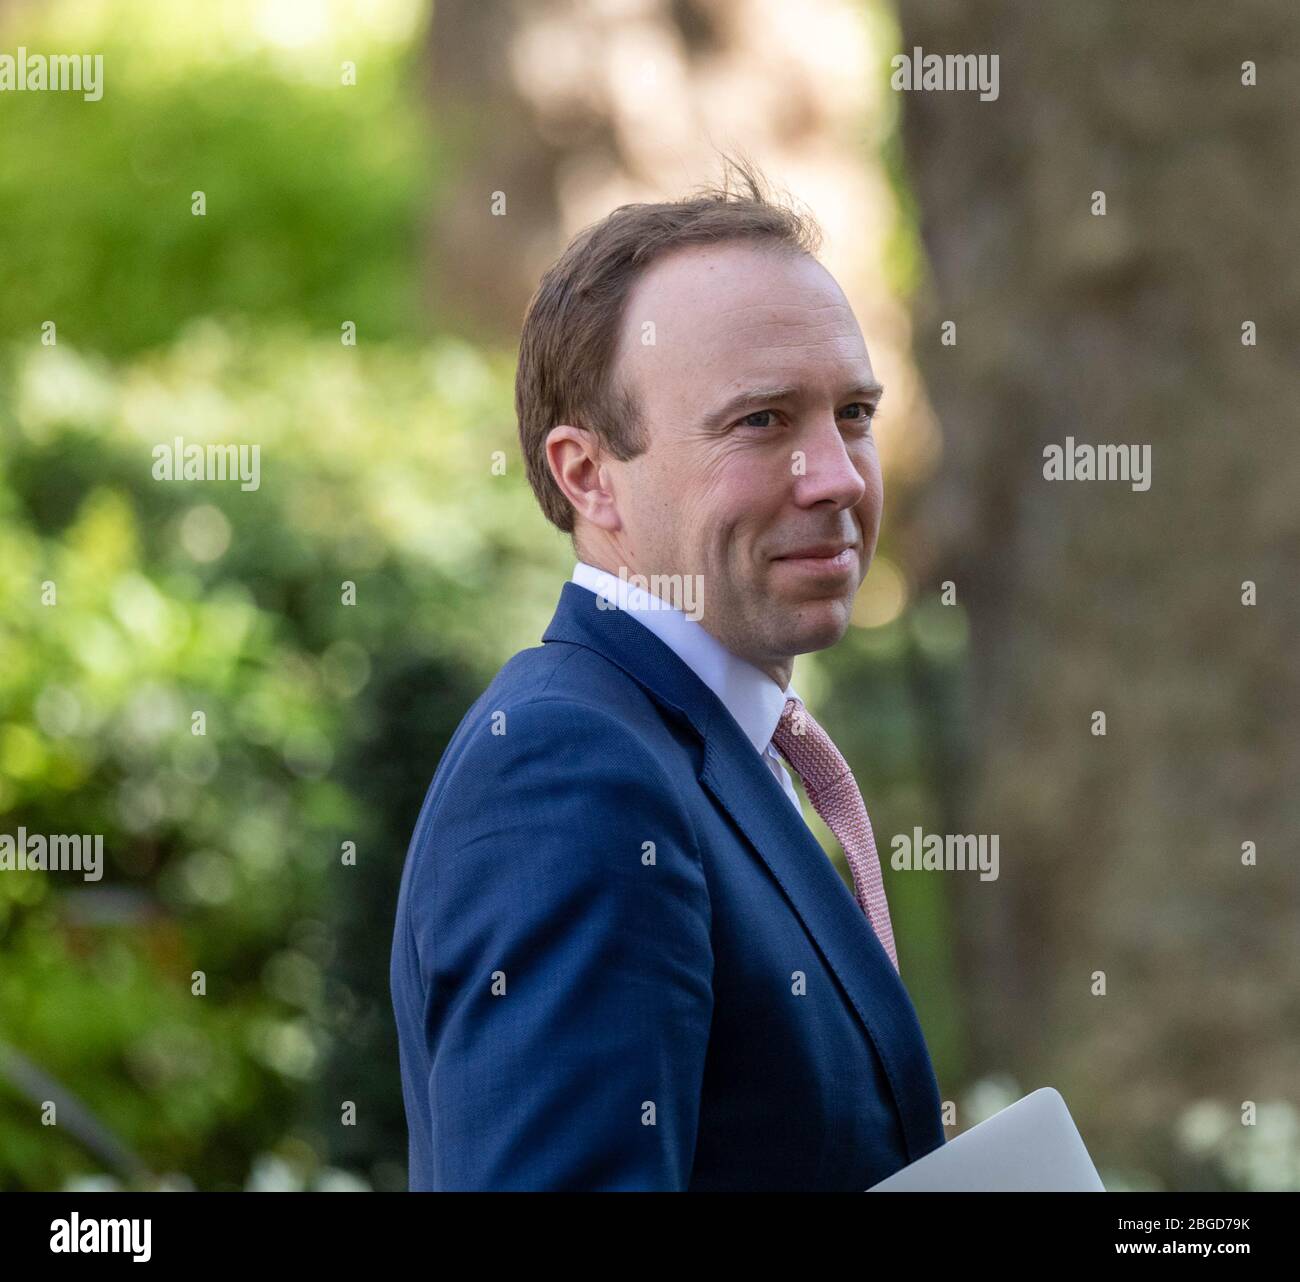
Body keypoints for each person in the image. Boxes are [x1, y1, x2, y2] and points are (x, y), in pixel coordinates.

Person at [390, 159, 946, 1190]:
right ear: (587, 475)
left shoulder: (698, 745)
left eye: (854, 415)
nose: (834, 476)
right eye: (762, 421)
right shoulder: (567, 774)